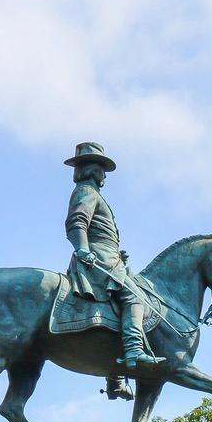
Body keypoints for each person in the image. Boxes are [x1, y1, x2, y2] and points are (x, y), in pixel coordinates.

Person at [64, 141, 165, 393]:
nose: (104, 175)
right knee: (134, 297)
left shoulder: (94, 194)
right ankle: (133, 351)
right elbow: (77, 222)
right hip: (98, 257)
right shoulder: (86, 192)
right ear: (92, 170)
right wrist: (83, 249)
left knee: (122, 300)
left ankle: (115, 378)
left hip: (110, 255)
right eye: (101, 169)